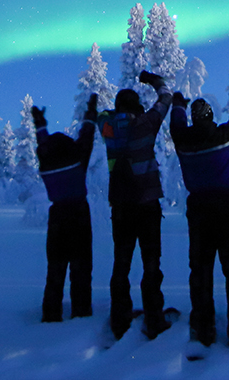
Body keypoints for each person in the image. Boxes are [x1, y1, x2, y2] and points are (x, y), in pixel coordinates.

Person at [169, 77, 229, 350]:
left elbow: (176, 122)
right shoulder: (228, 134)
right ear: (211, 117)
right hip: (227, 208)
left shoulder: (182, 140)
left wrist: (178, 102)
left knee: (200, 270)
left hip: (198, 210)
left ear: (193, 118)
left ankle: (203, 329)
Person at [98, 70, 175, 339]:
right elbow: (167, 98)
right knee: (151, 262)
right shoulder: (145, 124)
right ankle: (154, 318)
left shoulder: (107, 127)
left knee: (121, 262)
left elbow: (102, 114)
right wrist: (155, 81)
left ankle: (119, 319)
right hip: (147, 205)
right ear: (136, 107)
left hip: (121, 207)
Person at [31, 94, 99, 323]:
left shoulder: (47, 161)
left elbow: (43, 143)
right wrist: (91, 113)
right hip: (79, 214)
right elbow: (87, 136)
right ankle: (81, 313)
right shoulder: (77, 159)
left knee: (56, 269)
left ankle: (51, 315)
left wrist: (40, 125)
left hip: (57, 215)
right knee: (81, 268)